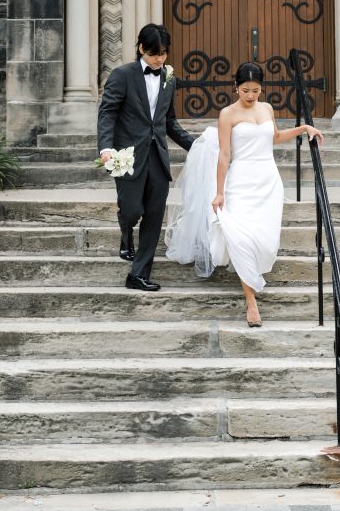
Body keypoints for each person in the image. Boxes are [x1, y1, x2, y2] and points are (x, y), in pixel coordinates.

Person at [166, 61, 324, 326]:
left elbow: (273, 138)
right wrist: (219, 192)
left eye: (256, 90)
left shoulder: (267, 108)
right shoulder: (228, 114)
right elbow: (225, 155)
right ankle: (251, 302)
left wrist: (304, 128)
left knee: (263, 240)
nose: (251, 96)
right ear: (236, 87)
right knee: (240, 238)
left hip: (267, 182)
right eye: (246, 90)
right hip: (240, 181)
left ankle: (253, 280)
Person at [97, 23, 194, 292]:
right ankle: (126, 235)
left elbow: (169, 122)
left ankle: (138, 274)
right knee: (131, 211)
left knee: (153, 215)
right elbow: (108, 113)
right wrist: (105, 147)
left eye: (163, 54)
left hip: (157, 158)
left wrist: (195, 146)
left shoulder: (168, 78)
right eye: (154, 54)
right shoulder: (122, 75)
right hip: (127, 156)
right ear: (141, 48)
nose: (160, 59)